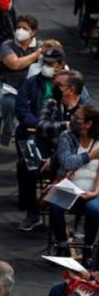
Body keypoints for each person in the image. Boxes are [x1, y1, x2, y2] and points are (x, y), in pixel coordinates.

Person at [15, 47, 72, 231]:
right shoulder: (32, 83)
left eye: (51, 64)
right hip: (38, 134)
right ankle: (33, 213)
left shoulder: (75, 88)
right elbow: (22, 110)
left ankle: (65, 217)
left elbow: (77, 123)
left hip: (65, 144)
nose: (46, 67)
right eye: (44, 63)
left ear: (61, 65)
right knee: (27, 164)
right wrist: (37, 126)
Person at [49, 104, 99, 261]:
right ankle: (62, 244)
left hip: (93, 189)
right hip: (69, 186)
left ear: (88, 124)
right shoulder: (67, 136)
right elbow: (66, 163)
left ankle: (88, 247)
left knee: (94, 210)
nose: (72, 121)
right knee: (55, 206)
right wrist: (90, 156)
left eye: (77, 118)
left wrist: (95, 192)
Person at [0, 15, 43, 146]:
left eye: (24, 28)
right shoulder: (7, 45)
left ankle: (29, 133)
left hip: (32, 89)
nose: (20, 31)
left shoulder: (40, 45)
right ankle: (8, 127)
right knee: (8, 103)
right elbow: (14, 64)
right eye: (18, 27)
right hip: (11, 86)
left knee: (38, 106)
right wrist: (36, 55)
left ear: (33, 32)